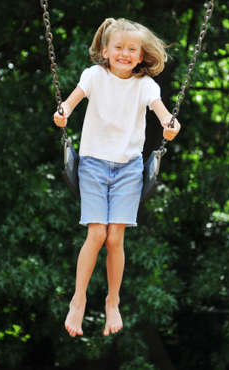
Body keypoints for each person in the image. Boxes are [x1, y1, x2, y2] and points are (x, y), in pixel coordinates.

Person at [53, 18, 181, 338]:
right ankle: (78, 299)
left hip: (128, 169)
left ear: (141, 56)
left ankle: (113, 300)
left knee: (115, 238)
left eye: (132, 49)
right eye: (119, 47)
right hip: (93, 165)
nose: (125, 53)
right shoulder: (94, 76)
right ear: (106, 50)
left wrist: (170, 125)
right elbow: (69, 103)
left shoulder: (146, 85)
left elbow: (164, 114)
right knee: (96, 235)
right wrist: (62, 114)